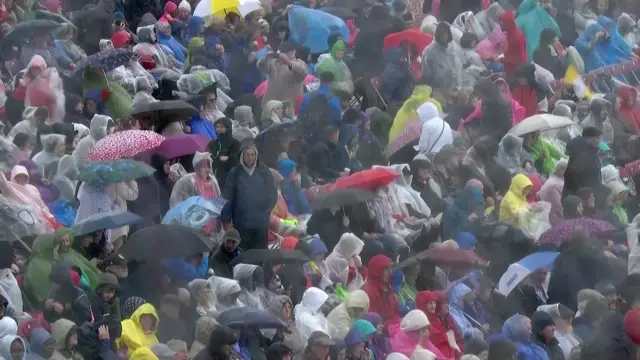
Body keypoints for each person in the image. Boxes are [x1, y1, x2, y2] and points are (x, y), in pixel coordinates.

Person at [220, 145, 277, 250]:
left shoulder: (264, 172)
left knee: (260, 253)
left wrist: (266, 212)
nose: (250, 158)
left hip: (260, 223)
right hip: (241, 222)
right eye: (247, 155)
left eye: (252, 155)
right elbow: (228, 197)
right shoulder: (235, 173)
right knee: (243, 253)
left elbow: (272, 194)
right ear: (242, 156)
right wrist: (226, 220)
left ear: (256, 156)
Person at [562, 127, 603, 199]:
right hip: (581, 196)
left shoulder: (589, 151)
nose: (599, 141)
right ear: (588, 138)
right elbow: (577, 176)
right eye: (597, 138)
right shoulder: (581, 153)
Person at [421, 22, 462, 90]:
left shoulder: (453, 47)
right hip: (439, 89)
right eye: (441, 33)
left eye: (446, 33)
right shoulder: (429, 52)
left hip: (457, 85)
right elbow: (426, 74)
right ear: (437, 34)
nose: (444, 36)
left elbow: (458, 66)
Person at [538, 160, 568, 225]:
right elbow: (558, 208)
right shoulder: (552, 186)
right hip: (555, 221)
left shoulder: (558, 181)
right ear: (562, 171)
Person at [500, 10, 528, 74]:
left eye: (503, 23)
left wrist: (503, 59)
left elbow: (520, 57)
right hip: (511, 67)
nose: (501, 25)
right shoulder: (510, 34)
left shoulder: (517, 37)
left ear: (508, 23)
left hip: (516, 70)